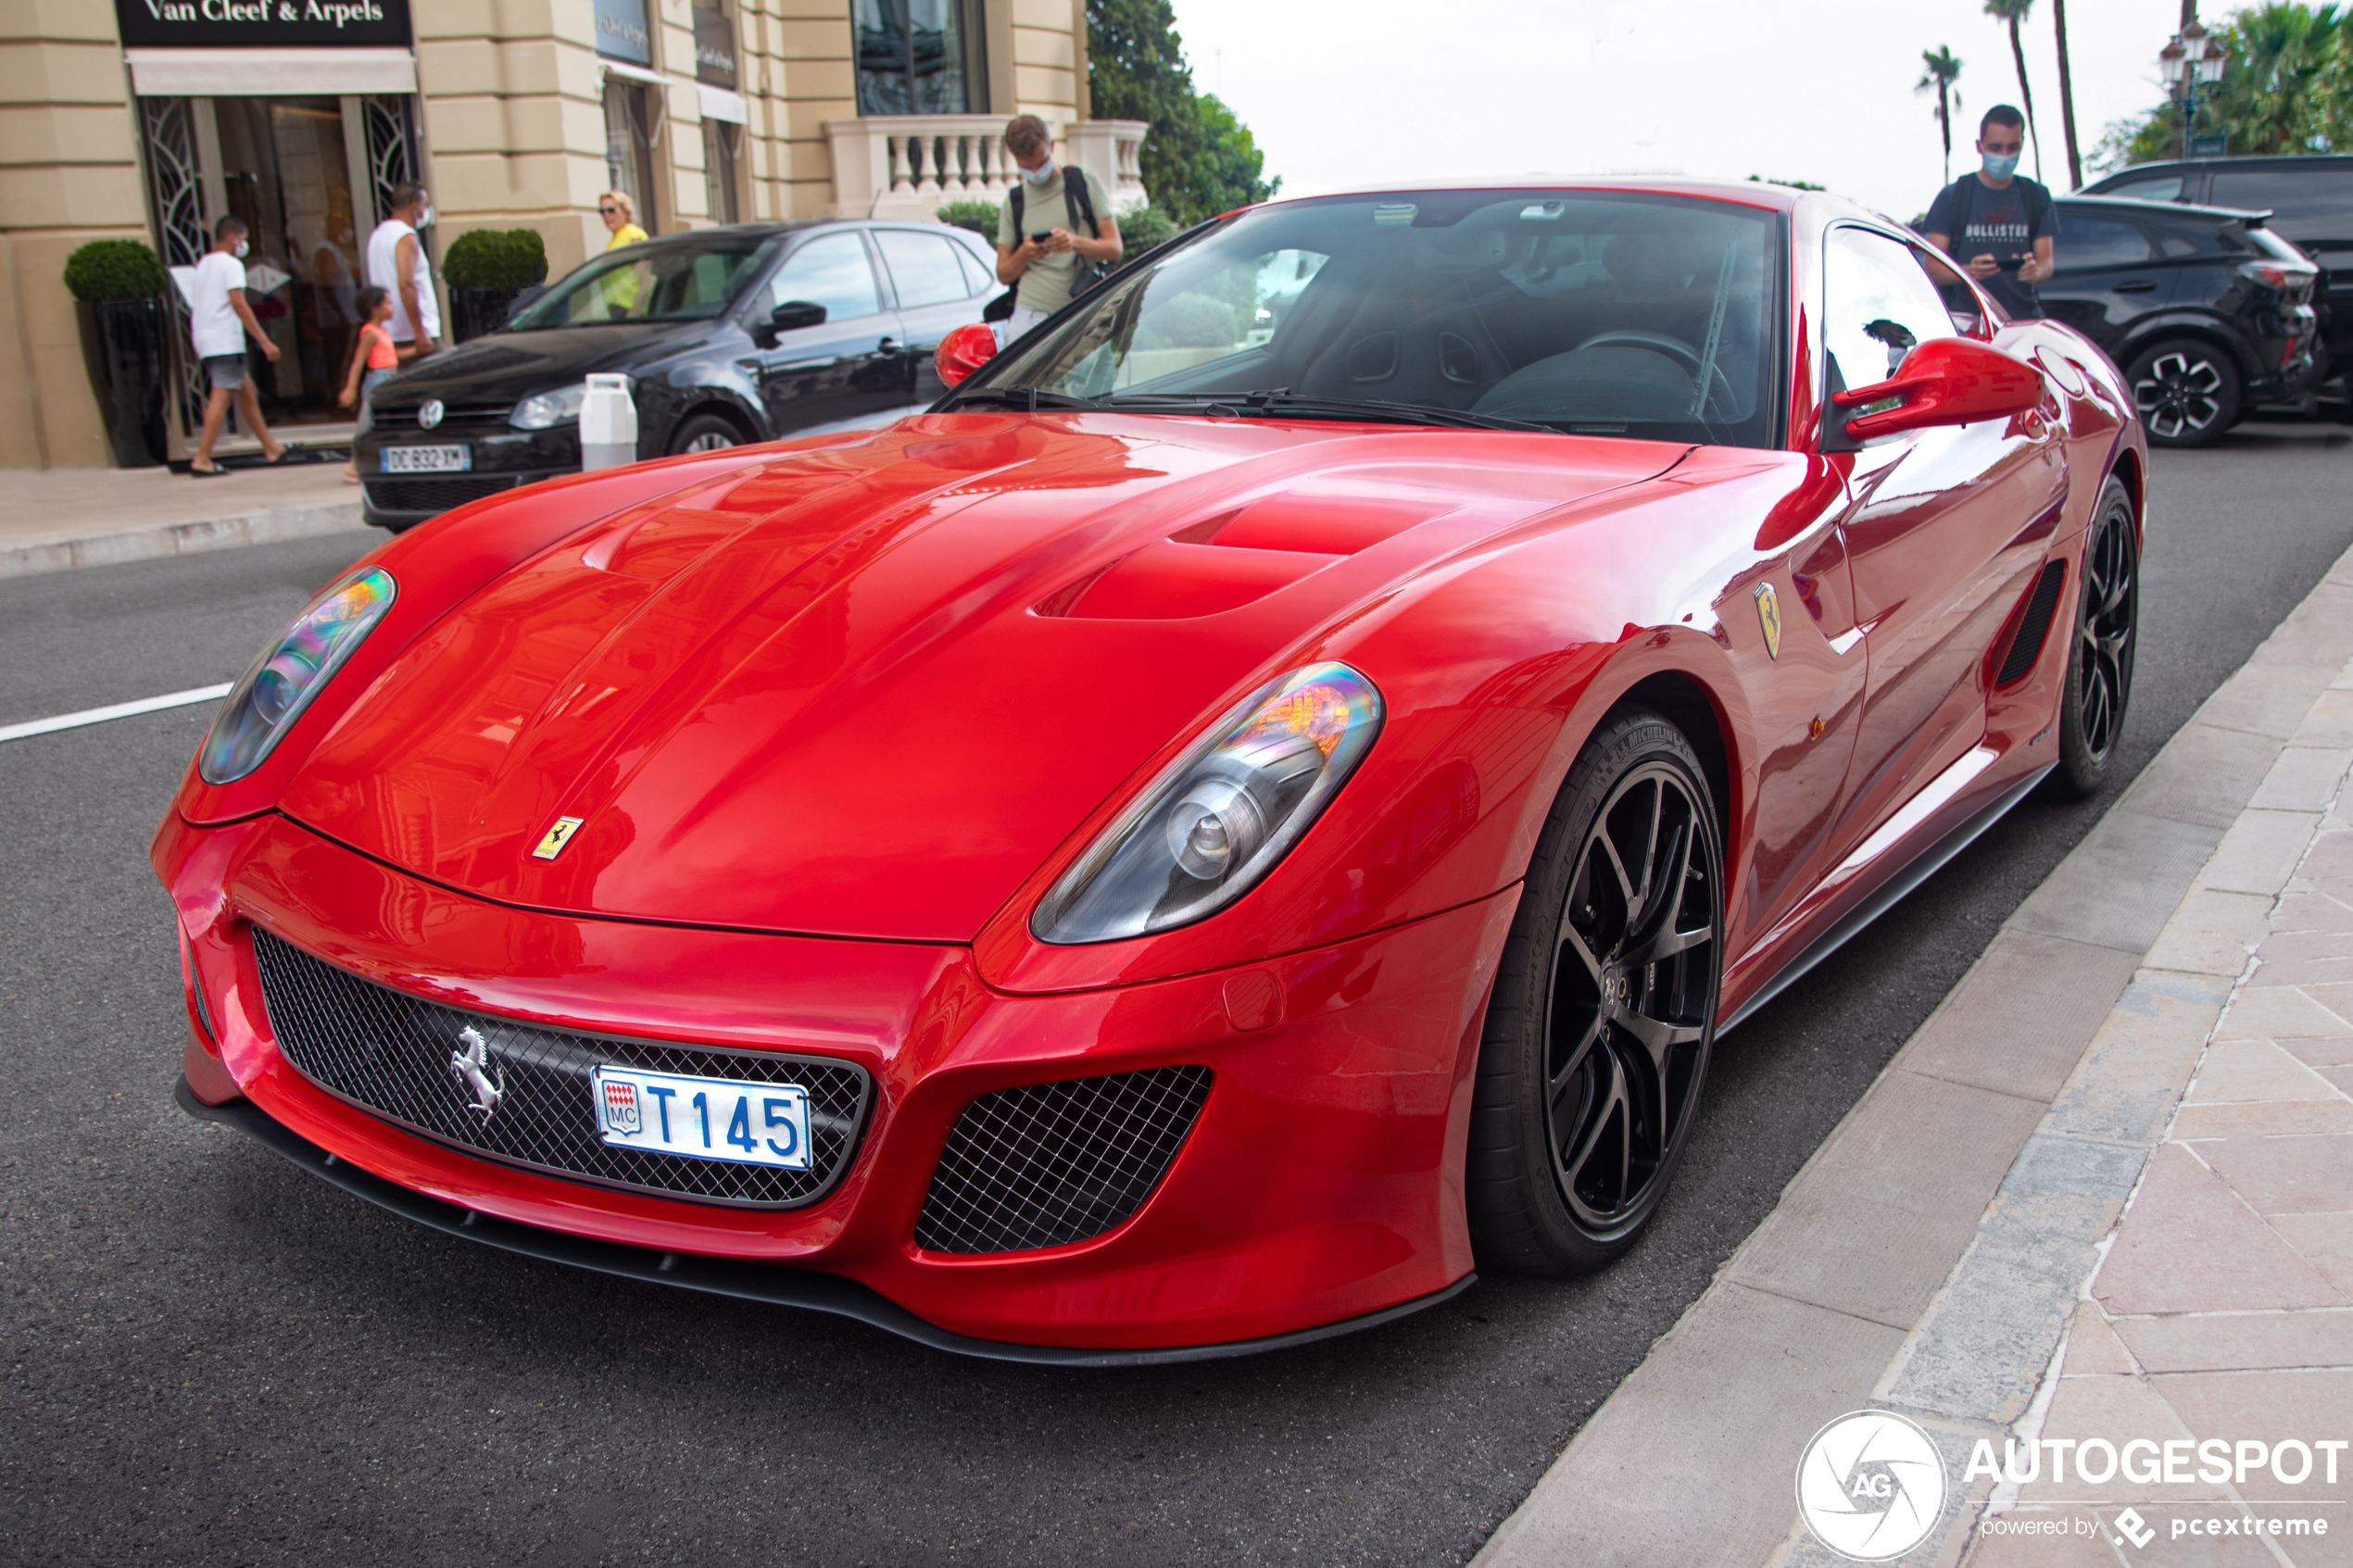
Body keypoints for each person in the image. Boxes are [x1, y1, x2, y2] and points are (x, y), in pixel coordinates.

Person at [992, 115, 1121, 344]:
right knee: (1024, 381)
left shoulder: (1083, 183)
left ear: (1051, 146)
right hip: (1030, 315)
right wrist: (1026, 252)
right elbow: (1003, 274)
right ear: (1014, 157)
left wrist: (1074, 242)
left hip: (1084, 311)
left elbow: (1114, 249)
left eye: (1041, 163)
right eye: (1026, 166)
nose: (1035, 171)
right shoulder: (1014, 201)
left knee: (1094, 379)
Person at [1924, 106, 2057, 321]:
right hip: (1969, 321)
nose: (2005, 155)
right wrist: (1968, 272)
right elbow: (1932, 267)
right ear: (1980, 146)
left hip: (2023, 319)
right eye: (1996, 148)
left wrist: (2035, 271)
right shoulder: (1953, 196)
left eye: (2012, 147)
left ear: (2022, 143)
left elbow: (2046, 262)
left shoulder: (2036, 195)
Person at [185, 216, 286, 478]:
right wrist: (264, 340)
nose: (244, 245)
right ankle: (202, 458)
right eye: (243, 238)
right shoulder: (231, 264)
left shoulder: (204, 263)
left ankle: (270, 447)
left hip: (207, 337)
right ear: (233, 237)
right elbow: (239, 303)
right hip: (224, 339)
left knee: (247, 390)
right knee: (221, 395)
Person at [365, 181, 441, 361]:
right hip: (415, 333)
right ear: (414, 207)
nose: (426, 211)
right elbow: (406, 285)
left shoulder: (377, 235)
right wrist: (419, 331)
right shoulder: (405, 236)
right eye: (424, 205)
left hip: (392, 330)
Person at [336, 284, 397, 483]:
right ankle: (353, 465)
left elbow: (391, 357)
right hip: (378, 381)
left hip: (387, 380)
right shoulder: (369, 332)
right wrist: (350, 387)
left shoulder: (381, 331)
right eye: (387, 302)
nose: (392, 306)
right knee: (368, 424)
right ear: (374, 308)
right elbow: (358, 360)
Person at [597, 190, 649, 314]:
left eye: (611, 210)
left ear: (625, 211)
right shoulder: (614, 238)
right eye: (602, 211)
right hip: (617, 308)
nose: (606, 215)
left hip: (630, 309)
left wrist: (634, 313)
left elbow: (646, 280)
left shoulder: (633, 235)